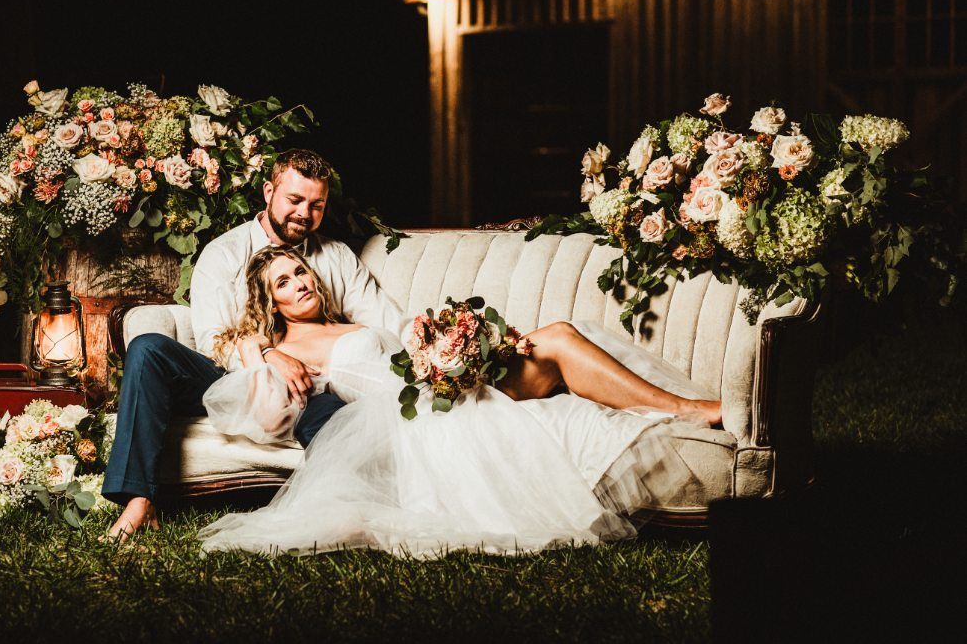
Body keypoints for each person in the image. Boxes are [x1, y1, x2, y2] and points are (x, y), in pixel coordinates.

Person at [196, 245, 722, 557]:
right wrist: (262, 349)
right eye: (282, 283)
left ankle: (670, 405)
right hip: (419, 413)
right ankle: (683, 409)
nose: (298, 284)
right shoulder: (282, 348)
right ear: (272, 302)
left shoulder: (346, 323)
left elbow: (403, 346)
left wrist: (448, 346)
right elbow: (249, 382)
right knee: (559, 339)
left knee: (560, 336)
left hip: (443, 383)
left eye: (300, 272)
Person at [102, 149, 402, 542]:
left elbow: (385, 321)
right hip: (226, 374)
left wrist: (433, 341)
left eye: (316, 205)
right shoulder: (224, 254)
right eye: (294, 200)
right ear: (268, 192)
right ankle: (140, 501)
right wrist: (268, 356)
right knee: (147, 348)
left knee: (324, 410)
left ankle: (344, 507)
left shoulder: (336, 257)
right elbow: (212, 342)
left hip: (305, 382)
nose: (304, 213)